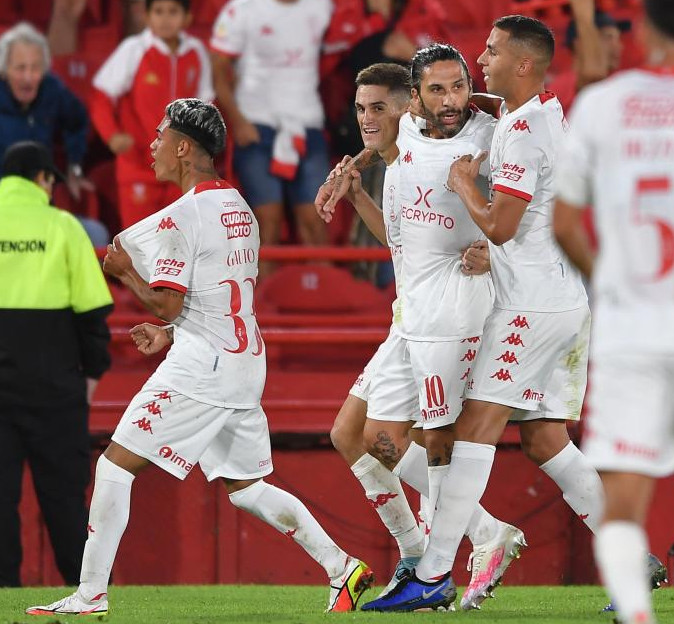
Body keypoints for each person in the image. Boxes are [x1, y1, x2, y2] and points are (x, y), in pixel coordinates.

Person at [25, 99, 374, 617]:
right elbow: (216, 295)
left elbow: (169, 297)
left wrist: (125, 273)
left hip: (203, 367)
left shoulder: (183, 216)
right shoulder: (240, 207)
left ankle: (89, 595)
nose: (152, 145)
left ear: (184, 148)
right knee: (247, 487)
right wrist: (170, 330)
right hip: (242, 360)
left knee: (115, 466)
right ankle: (342, 567)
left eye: (160, 135)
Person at [368, 15, 606, 613]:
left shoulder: (523, 129)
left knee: (470, 430)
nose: (485, 58)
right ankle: (632, 562)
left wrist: (464, 184)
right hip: (542, 298)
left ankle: (434, 573)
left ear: (522, 64)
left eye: (493, 51)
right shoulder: (530, 115)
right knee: (542, 438)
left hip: (533, 303)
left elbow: (500, 225)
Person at [552, 1, 674, 622]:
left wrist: (606, 277)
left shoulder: (602, 105)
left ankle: (635, 612)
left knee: (624, 491)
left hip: (628, 328)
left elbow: (562, 220)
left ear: (645, 30)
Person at [314, 55, 522, 609]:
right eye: (360, 108)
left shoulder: (486, 135)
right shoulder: (406, 138)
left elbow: (531, 206)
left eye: (377, 106)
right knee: (349, 435)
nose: (366, 117)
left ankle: (436, 562)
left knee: (406, 437)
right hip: (409, 317)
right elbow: (399, 242)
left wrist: (495, 255)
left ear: (407, 101)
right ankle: (455, 542)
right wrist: (353, 185)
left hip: (455, 313)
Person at [0, 141, 113, 588]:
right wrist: (90, 376)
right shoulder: (65, 227)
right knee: (66, 503)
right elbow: (93, 315)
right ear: (43, 179)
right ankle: (84, 597)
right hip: (56, 390)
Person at [209, 0, 334, 264]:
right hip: (258, 127)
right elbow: (218, 69)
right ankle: (260, 303)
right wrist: (238, 121)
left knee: (315, 221)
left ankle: (323, 299)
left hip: (307, 125)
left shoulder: (322, 6)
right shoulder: (241, 9)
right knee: (267, 224)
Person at [91, 0, 214, 229]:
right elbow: (102, 97)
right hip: (139, 163)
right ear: (147, 17)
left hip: (181, 168)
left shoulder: (197, 52)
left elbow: (206, 108)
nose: (165, 19)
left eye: (173, 12)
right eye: (158, 12)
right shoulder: (134, 49)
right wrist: (112, 136)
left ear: (187, 18)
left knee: (180, 244)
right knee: (139, 242)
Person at [0, 22, 93, 202]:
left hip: (41, 196)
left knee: (96, 231)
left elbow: (78, 121)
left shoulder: (52, 89)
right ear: (4, 70)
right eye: (20, 68)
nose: (28, 77)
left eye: (35, 68)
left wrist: (74, 166)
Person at [549, 0, 630, 112]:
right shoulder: (564, 85)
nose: (619, 46)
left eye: (617, 38)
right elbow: (592, 75)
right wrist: (583, 16)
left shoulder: (616, 82)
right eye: (608, 37)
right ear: (579, 43)